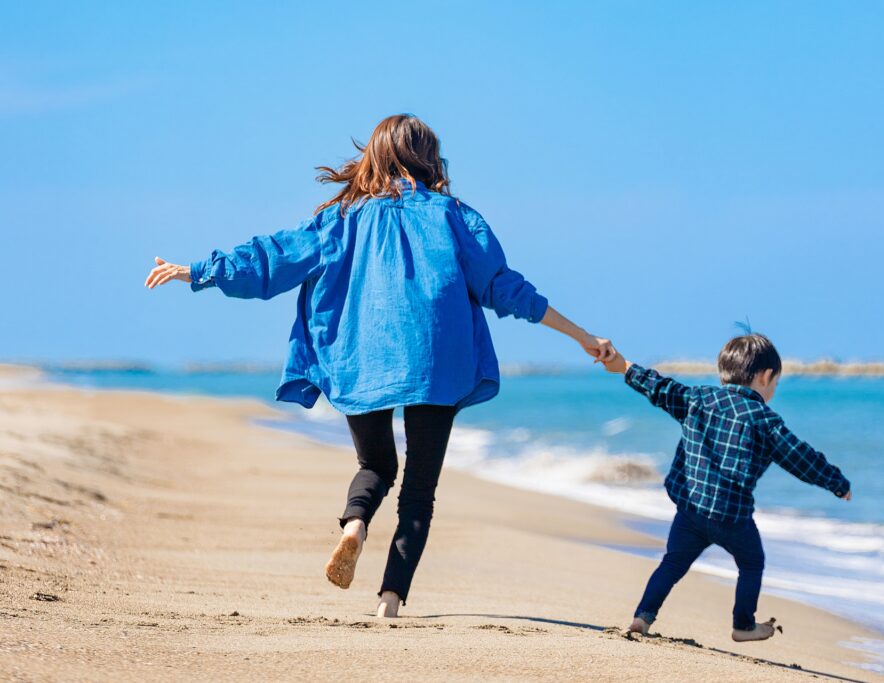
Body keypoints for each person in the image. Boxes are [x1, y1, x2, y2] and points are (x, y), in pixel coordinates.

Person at [145, 114, 614, 618]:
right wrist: (582, 336)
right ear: (428, 158)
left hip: (359, 357)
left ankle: (354, 526)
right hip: (438, 359)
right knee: (419, 487)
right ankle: (390, 601)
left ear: (375, 155)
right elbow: (505, 287)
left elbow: (272, 258)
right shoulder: (454, 215)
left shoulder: (339, 220)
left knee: (375, 465)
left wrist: (199, 271)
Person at [600, 333, 851, 641]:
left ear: (723, 372)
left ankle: (642, 618)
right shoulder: (766, 421)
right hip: (732, 518)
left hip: (690, 510)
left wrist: (623, 365)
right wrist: (837, 482)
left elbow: (657, 387)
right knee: (751, 563)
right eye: (775, 382)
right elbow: (801, 458)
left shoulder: (698, 398)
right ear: (765, 376)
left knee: (672, 564)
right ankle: (743, 625)